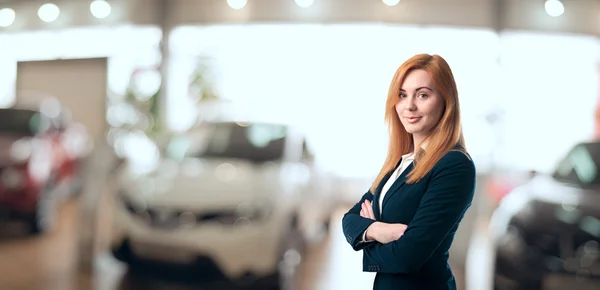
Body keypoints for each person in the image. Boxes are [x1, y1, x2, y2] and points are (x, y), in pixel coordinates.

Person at [341, 54, 476, 290]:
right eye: (402, 95)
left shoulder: (454, 165)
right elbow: (350, 219)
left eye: (422, 95)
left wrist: (367, 238)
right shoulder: (399, 162)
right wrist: (380, 231)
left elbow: (407, 257)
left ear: (446, 101)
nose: (409, 105)